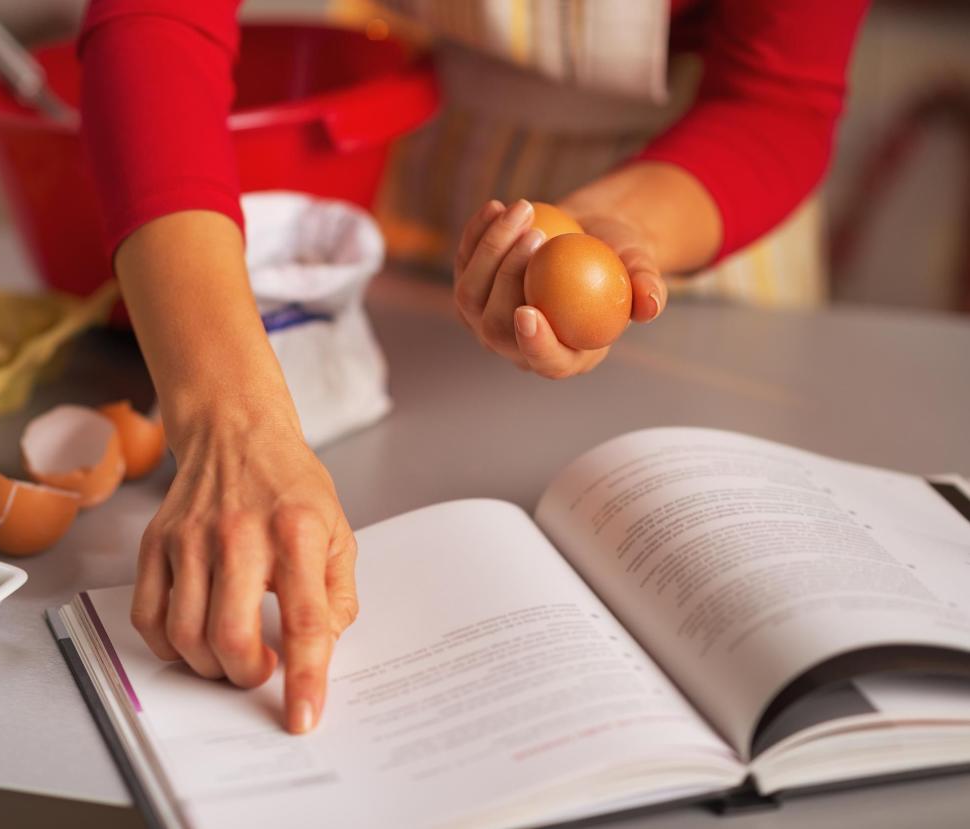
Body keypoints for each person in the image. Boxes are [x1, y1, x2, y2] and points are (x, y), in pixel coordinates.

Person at [77, 0, 868, 734]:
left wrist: (621, 228)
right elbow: (157, 21)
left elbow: (777, 102)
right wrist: (230, 422)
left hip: (689, 209)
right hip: (437, 178)